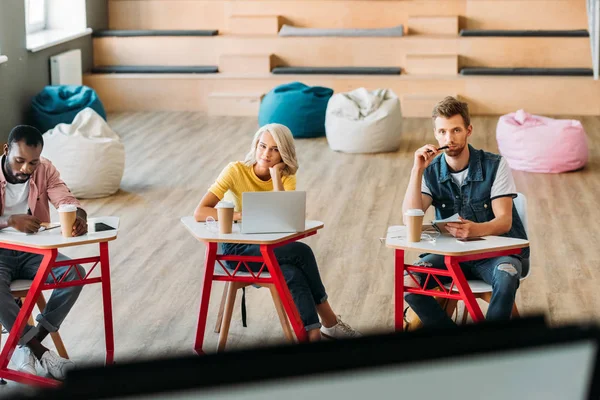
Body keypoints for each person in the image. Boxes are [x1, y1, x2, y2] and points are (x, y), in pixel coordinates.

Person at [194, 123, 360, 341]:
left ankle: (312, 333)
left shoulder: (284, 177)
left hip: (269, 249)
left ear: (284, 153)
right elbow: (200, 211)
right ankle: (329, 321)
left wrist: (275, 177)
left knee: (293, 273)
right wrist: (240, 215)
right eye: (262, 146)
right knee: (302, 252)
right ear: (255, 145)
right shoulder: (235, 170)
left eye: (275, 149)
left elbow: (284, 219)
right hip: (236, 250)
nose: (266, 154)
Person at [401, 96, 529, 327]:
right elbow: (411, 217)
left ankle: (492, 349)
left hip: (496, 255)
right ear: (435, 134)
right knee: (408, 281)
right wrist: (416, 171)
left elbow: (504, 222)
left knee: (507, 275)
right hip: (451, 257)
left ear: (468, 130)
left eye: (456, 130)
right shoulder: (430, 172)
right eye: (442, 132)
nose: (449, 138)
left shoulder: (495, 165)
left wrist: (475, 230)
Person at [1, 125, 87, 379]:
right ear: (6, 151)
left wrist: (78, 215)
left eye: (32, 162)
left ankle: (28, 346)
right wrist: (10, 221)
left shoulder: (44, 168)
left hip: (34, 250)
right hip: (1, 252)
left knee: (74, 273)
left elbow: (65, 198)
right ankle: (43, 354)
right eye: (19, 161)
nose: (26, 169)